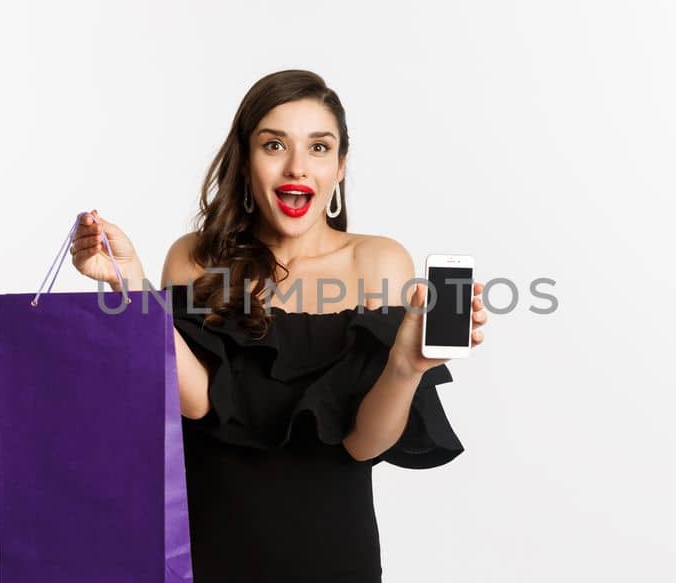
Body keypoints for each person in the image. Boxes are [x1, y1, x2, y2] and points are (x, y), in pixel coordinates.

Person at [66, 69, 488, 582]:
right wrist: (129, 280)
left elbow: (364, 444)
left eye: (318, 148)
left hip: (332, 555)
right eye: (273, 145)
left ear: (340, 167)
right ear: (246, 162)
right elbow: (197, 401)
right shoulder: (196, 259)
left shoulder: (378, 261)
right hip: (208, 550)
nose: (296, 168)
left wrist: (406, 364)